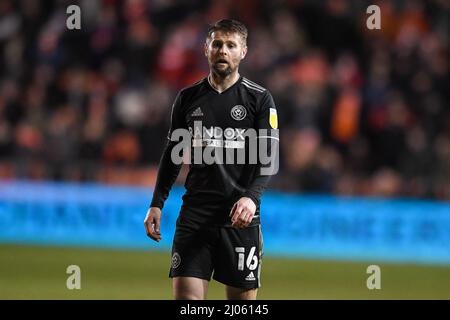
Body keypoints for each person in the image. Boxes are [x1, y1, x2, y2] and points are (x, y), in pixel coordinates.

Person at [144, 19, 279, 300]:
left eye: (231, 45)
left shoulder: (259, 99)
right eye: (217, 44)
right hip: (195, 216)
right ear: (207, 49)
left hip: (240, 219)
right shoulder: (187, 98)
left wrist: (251, 198)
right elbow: (173, 156)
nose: (223, 51)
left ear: (243, 52)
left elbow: (268, 158)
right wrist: (157, 203)